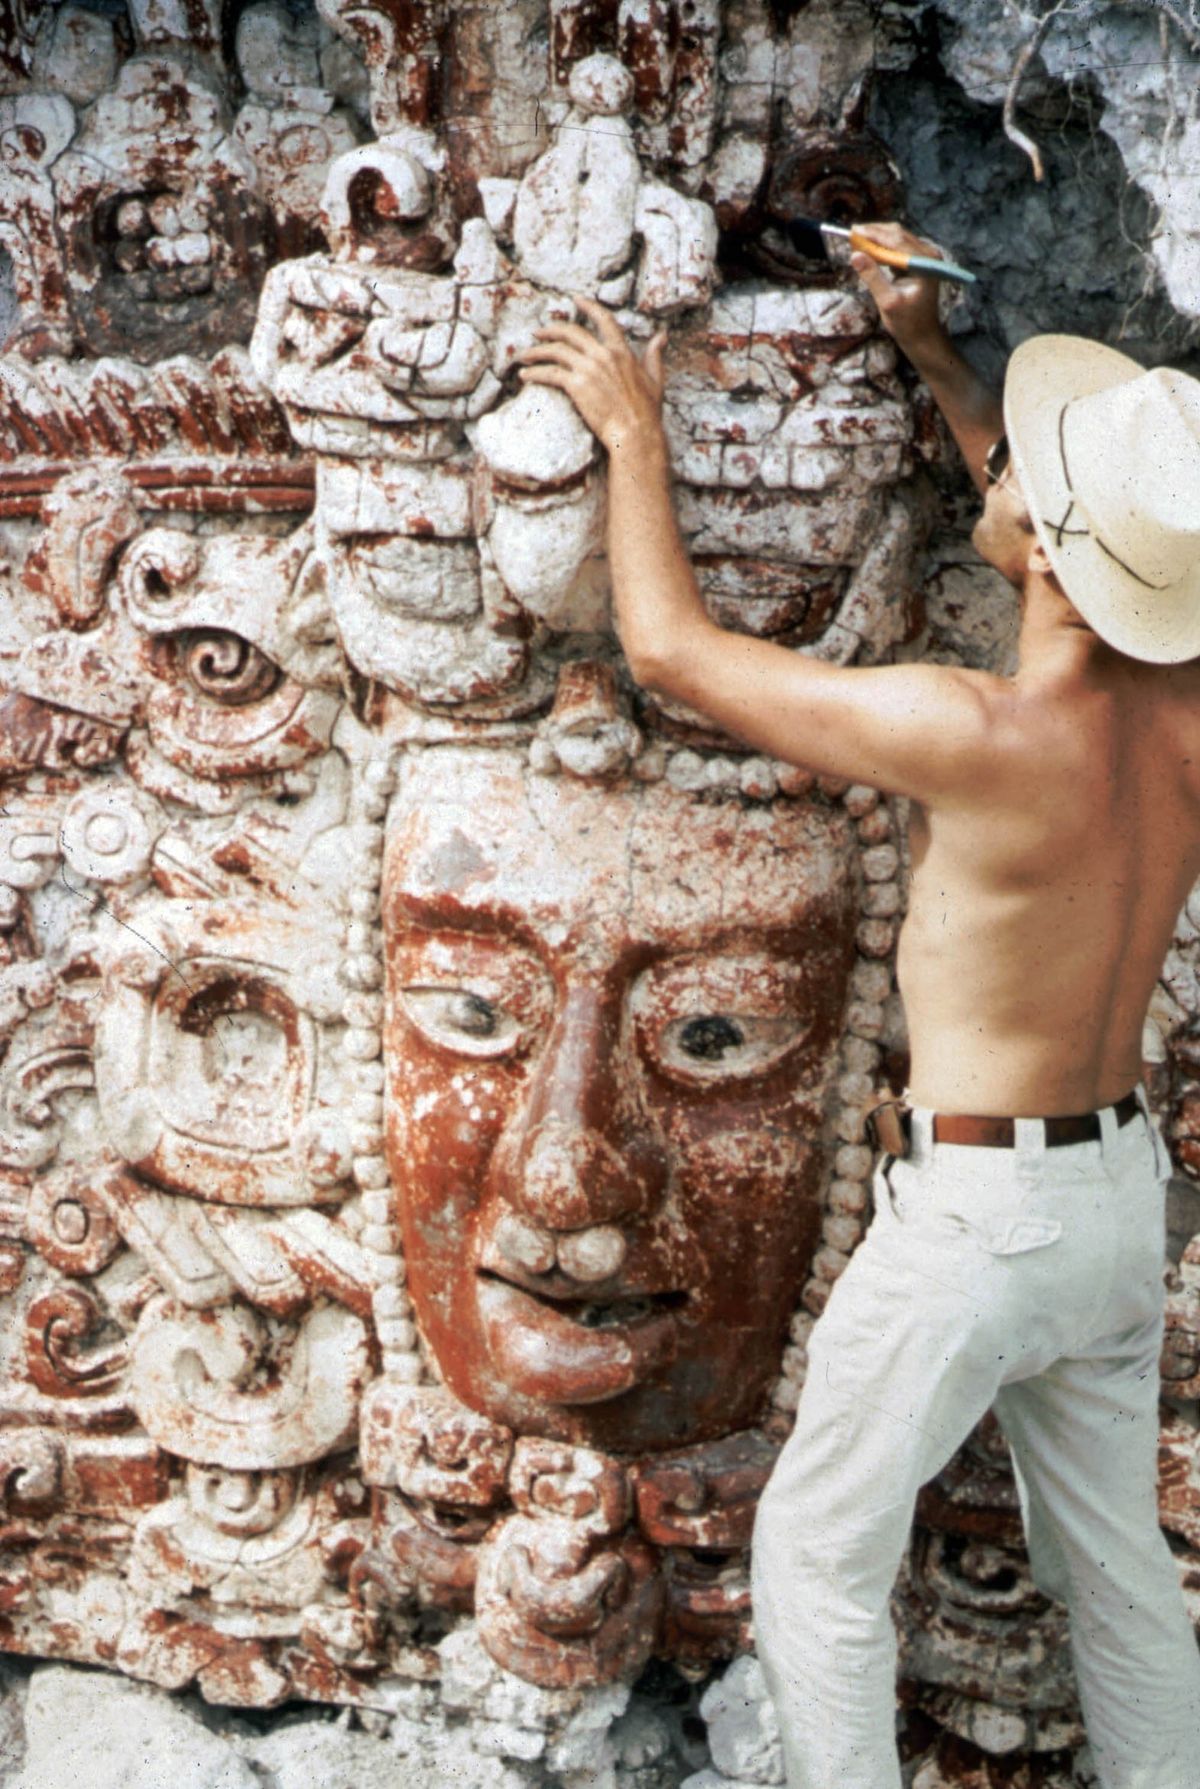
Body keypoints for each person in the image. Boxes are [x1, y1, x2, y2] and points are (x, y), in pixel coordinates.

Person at [518, 223, 1200, 1789]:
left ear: (1053, 541)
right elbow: (1080, 547)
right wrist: (938, 361)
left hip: (981, 1217)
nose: (997, 476)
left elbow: (673, 650)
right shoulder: (1180, 715)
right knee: (1120, 1577)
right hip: (1110, 1202)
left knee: (818, 1563)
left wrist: (632, 430)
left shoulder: (971, 730)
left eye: (1021, 473)